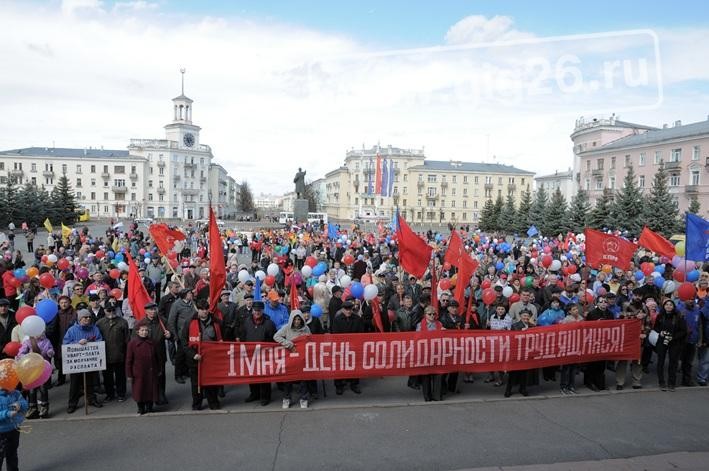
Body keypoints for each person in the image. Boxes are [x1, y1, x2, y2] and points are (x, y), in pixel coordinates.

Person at [183, 299, 223, 410]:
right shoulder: (189, 322)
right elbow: (184, 341)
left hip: (211, 358)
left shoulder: (215, 322)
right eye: (202, 309)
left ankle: (213, 403)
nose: (204, 311)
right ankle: (197, 404)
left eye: (206, 309)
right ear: (197, 310)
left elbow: (220, 338)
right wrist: (193, 355)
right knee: (196, 384)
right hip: (196, 359)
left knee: (212, 381)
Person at [63, 309, 104, 413]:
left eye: (89, 317)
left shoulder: (94, 329)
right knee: (75, 384)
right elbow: (66, 344)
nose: (88, 319)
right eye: (85, 317)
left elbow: (99, 340)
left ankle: (91, 399)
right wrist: (77, 343)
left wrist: (91, 343)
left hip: (90, 361)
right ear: (80, 319)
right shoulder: (71, 330)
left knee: (90, 382)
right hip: (76, 362)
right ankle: (72, 404)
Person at [239, 300, 277, 406]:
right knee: (252, 375)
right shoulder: (247, 322)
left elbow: (273, 339)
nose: (257, 312)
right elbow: (243, 335)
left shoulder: (269, 323)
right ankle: (254, 394)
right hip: (250, 354)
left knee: (264, 376)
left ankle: (265, 397)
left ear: (262, 311)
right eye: (255, 310)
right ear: (252, 310)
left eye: (259, 310)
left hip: (264, 355)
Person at [274, 310, 311, 409]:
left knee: (303, 380)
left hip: (302, 358)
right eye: (295, 319)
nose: (297, 321)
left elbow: (310, 339)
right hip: (290, 357)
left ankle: (304, 399)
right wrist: (289, 344)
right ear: (291, 320)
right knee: (288, 379)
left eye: (299, 319)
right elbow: (276, 336)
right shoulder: (286, 328)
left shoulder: (306, 328)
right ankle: (286, 399)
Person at [96, 304, 130, 402]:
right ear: (104, 310)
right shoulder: (99, 323)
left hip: (120, 353)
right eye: (109, 310)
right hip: (105, 354)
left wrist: (127, 353)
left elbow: (127, 339)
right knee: (107, 377)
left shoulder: (123, 322)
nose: (111, 312)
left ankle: (121, 394)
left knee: (120, 376)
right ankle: (109, 394)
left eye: (113, 310)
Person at [126, 319, 160, 415]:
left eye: (146, 330)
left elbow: (157, 357)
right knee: (139, 390)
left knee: (150, 390)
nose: (144, 332)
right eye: (142, 330)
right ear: (138, 332)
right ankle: (140, 407)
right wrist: (129, 374)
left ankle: (150, 407)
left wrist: (158, 369)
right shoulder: (132, 343)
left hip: (151, 371)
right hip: (138, 372)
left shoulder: (152, 342)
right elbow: (128, 360)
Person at [17, 332, 54, 419]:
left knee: (43, 388)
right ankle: (33, 408)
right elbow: (20, 354)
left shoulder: (46, 341)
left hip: (42, 368)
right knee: (32, 389)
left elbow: (50, 350)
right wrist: (28, 356)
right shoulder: (28, 342)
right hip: (31, 369)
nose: (38, 334)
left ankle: (44, 407)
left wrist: (50, 352)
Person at [330, 300, 364, 395]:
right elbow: (335, 334)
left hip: (354, 347)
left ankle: (354, 384)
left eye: (350, 309)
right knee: (339, 366)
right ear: (342, 309)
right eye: (346, 309)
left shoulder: (357, 319)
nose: (348, 311)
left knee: (355, 366)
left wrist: (355, 344)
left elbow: (361, 333)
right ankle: (339, 385)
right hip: (341, 347)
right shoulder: (337, 319)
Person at [139, 302, 170, 405]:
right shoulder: (141, 323)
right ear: (146, 311)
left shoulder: (162, 321)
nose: (153, 311)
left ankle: (161, 394)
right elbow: (135, 339)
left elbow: (171, 334)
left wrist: (169, 335)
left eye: (154, 309)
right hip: (147, 354)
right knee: (150, 376)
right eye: (150, 310)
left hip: (160, 353)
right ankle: (152, 396)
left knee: (161, 375)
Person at [653, 299, 687, 391]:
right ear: (664, 306)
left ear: (673, 307)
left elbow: (683, 331)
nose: (668, 306)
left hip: (674, 342)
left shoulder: (678, 316)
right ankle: (661, 382)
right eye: (666, 304)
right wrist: (660, 332)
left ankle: (671, 383)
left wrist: (673, 337)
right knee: (660, 361)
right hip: (662, 341)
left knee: (673, 362)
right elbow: (655, 327)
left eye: (670, 305)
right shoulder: (660, 316)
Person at [584, 296, 614, 391]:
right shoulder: (592, 314)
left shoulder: (610, 314)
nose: (603, 303)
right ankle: (590, 382)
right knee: (593, 363)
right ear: (597, 303)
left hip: (605, 341)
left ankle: (600, 383)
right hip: (594, 341)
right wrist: (596, 323)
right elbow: (587, 328)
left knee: (602, 364)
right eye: (601, 302)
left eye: (605, 301)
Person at [168, 288, 196, 384]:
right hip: (181, 335)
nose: (191, 294)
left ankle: (186, 371)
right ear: (184, 295)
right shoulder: (176, 305)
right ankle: (178, 375)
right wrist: (175, 335)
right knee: (180, 356)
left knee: (189, 354)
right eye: (189, 293)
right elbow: (171, 321)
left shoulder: (193, 303)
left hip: (192, 334)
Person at [505, 309, 535, 398]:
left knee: (524, 373)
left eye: (528, 316)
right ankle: (508, 390)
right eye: (524, 315)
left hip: (527, 352)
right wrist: (521, 332)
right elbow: (512, 338)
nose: (526, 317)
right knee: (513, 373)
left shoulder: (532, 326)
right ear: (520, 316)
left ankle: (523, 389)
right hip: (517, 352)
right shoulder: (515, 325)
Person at [417, 306, 444, 401]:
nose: (432, 316)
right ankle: (427, 396)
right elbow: (417, 338)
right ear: (425, 315)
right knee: (426, 375)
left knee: (438, 374)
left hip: (437, 352)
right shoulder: (420, 325)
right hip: (425, 353)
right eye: (430, 314)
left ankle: (437, 395)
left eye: (434, 314)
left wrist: (444, 332)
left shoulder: (439, 324)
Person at [0, 383, 28, 471]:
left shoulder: (15, 393)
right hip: (1, 432)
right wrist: (6, 414)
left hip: (14, 429)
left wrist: (19, 404)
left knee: (12, 454)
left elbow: (25, 404)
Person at [559, 303, 583, 394]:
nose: (576, 310)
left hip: (577, 345)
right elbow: (562, 332)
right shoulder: (566, 320)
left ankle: (571, 385)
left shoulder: (580, 318)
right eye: (574, 309)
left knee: (573, 368)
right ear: (569, 311)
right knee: (566, 368)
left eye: (576, 309)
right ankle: (563, 386)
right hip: (568, 345)